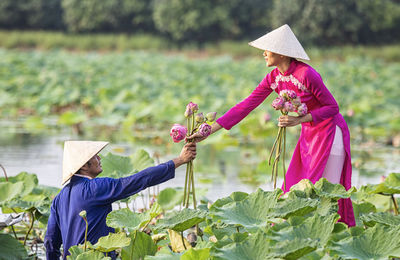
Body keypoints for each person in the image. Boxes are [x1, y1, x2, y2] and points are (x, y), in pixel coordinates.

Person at [188, 24, 355, 226]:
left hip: (330, 135)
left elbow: (333, 107)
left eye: (268, 49)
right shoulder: (274, 77)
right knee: (300, 191)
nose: (264, 54)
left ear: (283, 54)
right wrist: (207, 131)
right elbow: (246, 106)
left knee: (327, 194)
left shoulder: (307, 75)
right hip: (310, 136)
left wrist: (298, 120)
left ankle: (334, 240)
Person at [44, 140, 196, 259]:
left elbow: (51, 242)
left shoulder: (59, 198)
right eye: (95, 156)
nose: (99, 158)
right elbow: (139, 180)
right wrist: (179, 160)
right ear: (84, 165)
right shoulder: (95, 188)